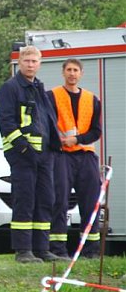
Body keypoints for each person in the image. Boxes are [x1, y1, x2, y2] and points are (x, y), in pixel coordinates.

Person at [0, 45, 67, 264]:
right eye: (27, 61)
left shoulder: (38, 88)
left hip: (44, 155)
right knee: (25, 199)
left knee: (46, 200)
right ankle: (23, 250)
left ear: (39, 63)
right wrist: (23, 147)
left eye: (34, 61)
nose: (30, 64)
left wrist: (54, 146)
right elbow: (6, 120)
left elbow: (47, 120)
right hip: (22, 154)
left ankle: (42, 249)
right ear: (20, 62)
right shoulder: (11, 88)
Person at [47, 59, 103, 259]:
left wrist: (77, 139)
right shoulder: (52, 96)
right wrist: (61, 141)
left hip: (85, 154)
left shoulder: (92, 99)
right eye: (68, 70)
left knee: (90, 201)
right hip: (61, 156)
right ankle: (58, 249)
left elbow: (96, 131)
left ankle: (91, 250)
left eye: (75, 70)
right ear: (63, 73)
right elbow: (47, 123)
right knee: (59, 201)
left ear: (81, 74)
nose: (72, 73)